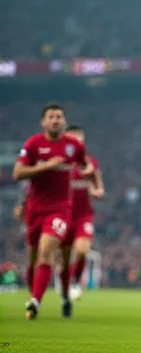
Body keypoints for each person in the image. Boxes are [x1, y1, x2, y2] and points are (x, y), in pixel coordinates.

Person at [12, 103, 92, 320]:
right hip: (35, 209)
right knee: (32, 258)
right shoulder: (34, 144)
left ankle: (38, 301)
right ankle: (34, 295)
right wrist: (46, 167)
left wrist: (94, 180)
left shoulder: (73, 146)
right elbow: (18, 173)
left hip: (61, 210)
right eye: (51, 117)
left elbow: (87, 166)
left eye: (59, 116)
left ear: (64, 122)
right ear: (44, 122)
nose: (55, 120)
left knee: (47, 252)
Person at [62, 126, 105, 301]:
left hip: (83, 216)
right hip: (61, 215)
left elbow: (98, 184)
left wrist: (98, 190)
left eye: (78, 140)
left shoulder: (89, 163)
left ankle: (75, 281)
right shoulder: (58, 163)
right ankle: (63, 285)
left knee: (82, 250)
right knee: (61, 258)